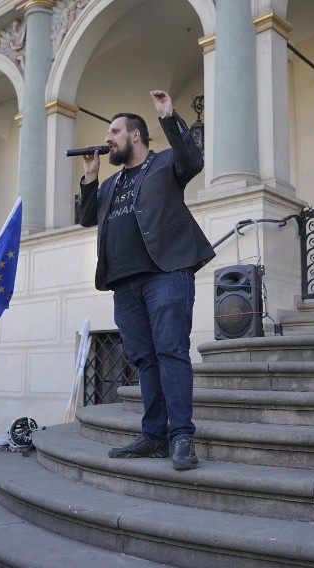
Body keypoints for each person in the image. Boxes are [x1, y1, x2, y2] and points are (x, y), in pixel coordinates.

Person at [76, 90, 215, 470]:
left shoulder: (166, 164)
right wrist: (90, 176)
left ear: (135, 135)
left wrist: (168, 116)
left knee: (171, 351)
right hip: (123, 282)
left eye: (114, 131)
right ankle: (153, 436)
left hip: (166, 272)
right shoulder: (109, 185)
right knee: (144, 359)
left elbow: (194, 159)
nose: (108, 139)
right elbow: (87, 219)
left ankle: (182, 436)